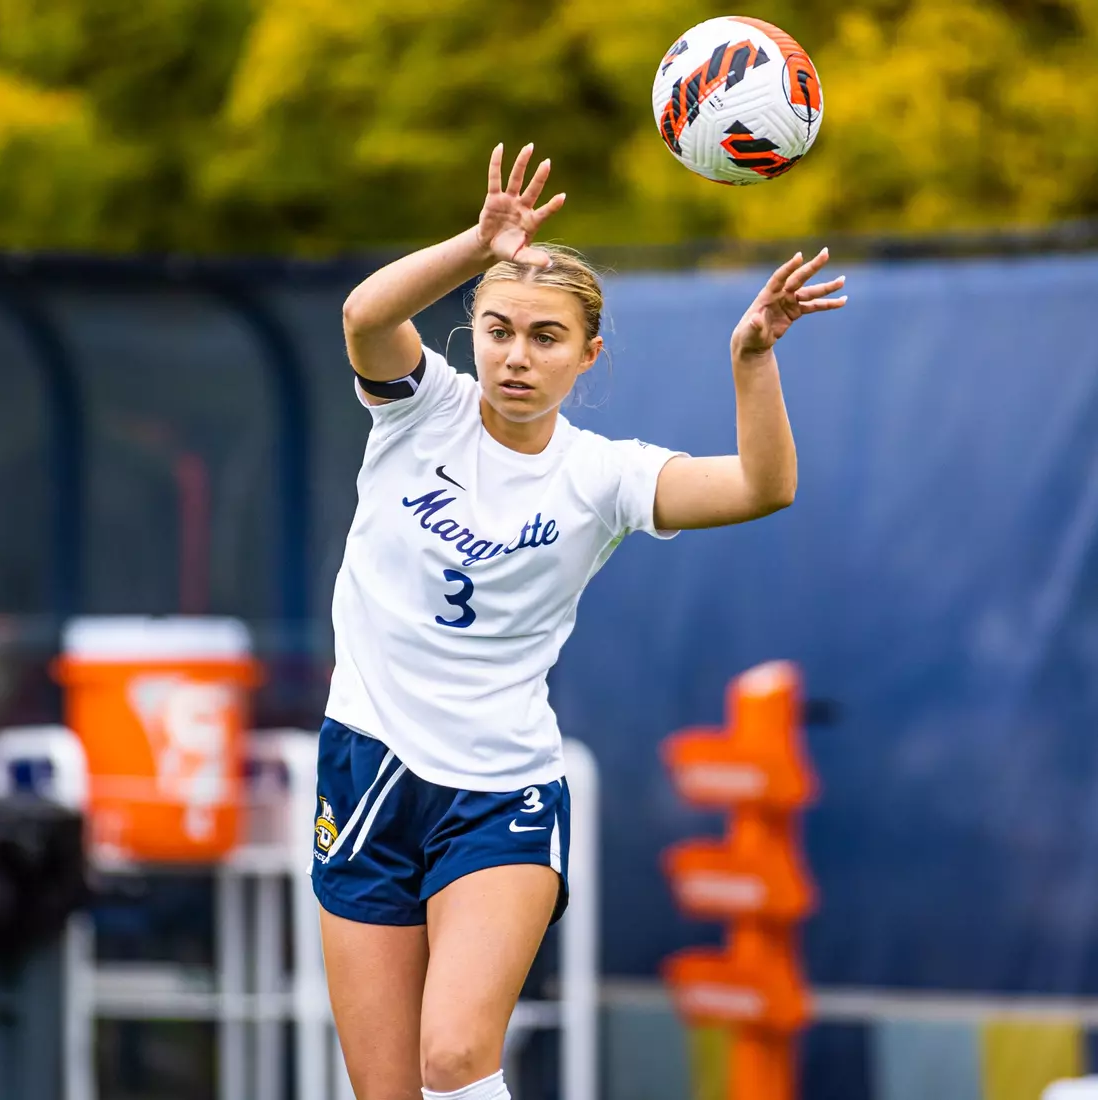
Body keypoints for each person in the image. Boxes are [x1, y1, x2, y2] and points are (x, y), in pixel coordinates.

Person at [311, 142, 847, 1100]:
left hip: (498, 793)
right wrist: (480, 244)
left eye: (546, 337)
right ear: (469, 333)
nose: (517, 356)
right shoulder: (417, 410)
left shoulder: (602, 476)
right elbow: (363, 314)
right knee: (387, 1091)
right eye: (498, 330)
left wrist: (752, 358)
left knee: (453, 1058)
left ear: (587, 354)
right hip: (364, 769)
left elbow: (765, 486)